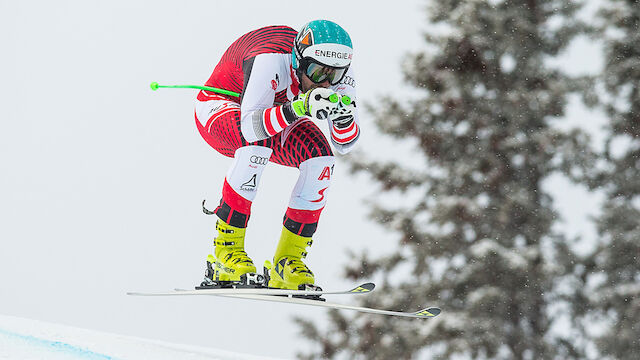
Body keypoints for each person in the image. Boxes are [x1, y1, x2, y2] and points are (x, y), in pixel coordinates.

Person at [194, 20, 359, 290]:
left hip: (276, 110)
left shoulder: (336, 72)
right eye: (317, 73)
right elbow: (250, 127)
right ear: (299, 60)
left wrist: (342, 120)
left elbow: (345, 144)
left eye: (336, 75)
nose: (327, 83)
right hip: (222, 106)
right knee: (256, 147)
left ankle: (287, 262)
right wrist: (298, 108)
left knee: (321, 161)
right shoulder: (270, 59)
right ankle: (225, 253)